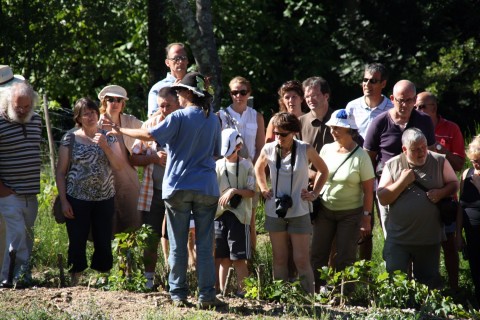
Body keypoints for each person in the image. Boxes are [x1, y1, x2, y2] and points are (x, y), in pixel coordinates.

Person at [105, 72, 223, 308]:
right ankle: (207, 294)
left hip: (178, 186)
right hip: (207, 187)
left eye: (179, 91)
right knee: (204, 242)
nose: (177, 95)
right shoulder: (213, 119)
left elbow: (149, 134)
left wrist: (120, 132)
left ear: (189, 94)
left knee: (178, 243)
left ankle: (178, 294)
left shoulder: (179, 117)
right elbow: (217, 153)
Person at [255, 112, 329, 294]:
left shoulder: (305, 149)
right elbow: (258, 168)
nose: (278, 138)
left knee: (302, 259)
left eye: (283, 134)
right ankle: (281, 297)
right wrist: (264, 189)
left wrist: (315, 193)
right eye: (276, 133)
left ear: (294, 132)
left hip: (300, 210)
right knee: (279, 258)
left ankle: (308, 300)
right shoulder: (269, 149)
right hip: (275, 211)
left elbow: (324, 171)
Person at [377, 128, 458, 289]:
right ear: (405, 149)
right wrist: (402, 182)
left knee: (429, 286)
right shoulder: (393, 165)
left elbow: (454, 184)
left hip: (429, 239)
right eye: (415, 150)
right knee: (396, 284)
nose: (421, 153)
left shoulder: (439, 160)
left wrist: (441, 192)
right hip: (399, 239)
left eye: (424, 147)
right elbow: (383, 197)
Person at [56, 98, 124, 285]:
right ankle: (75, 279)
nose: (91, 116)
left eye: (93, 112)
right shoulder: (69, 138)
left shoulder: (108, 136)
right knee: (77, 241)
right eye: (86, 113)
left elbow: (119, 165)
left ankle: (104, 279)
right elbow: (61, 172)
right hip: (77, 198)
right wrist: (64, 201)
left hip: (104, 197)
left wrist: (105, 147)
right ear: (78, 118)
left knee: (103, 240)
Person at [312, 109, 375, 293]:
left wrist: (366, 217)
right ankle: (316, 291)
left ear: (350, 131)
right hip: (324, 209)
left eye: (338, 128)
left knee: (345, 256)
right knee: (317, 253)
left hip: (350, 214)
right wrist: (315, 195)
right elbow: (319, 175)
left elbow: (368, 191)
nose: (333, 131)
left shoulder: (361, 156)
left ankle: (344, 295)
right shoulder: (326, 149)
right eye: (332, 127)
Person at [363, 80, 436, 237]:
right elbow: (367, 160)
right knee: (392, 238)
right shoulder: (379, 123)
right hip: (389, 187)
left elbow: (430, 154)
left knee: (419, 236)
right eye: (400, 100)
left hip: (420, 188)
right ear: (391, 99)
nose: (404, 104)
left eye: (409, 100)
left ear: (415, 100)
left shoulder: (424, 121)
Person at [130, 87, 181, 289]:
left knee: (178, 237)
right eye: (161, 106)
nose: (165, 109)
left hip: (179, 191)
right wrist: (152, 157)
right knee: (150, 235)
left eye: (168, 105)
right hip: (154, 192)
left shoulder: (183, 124)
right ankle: (148, 280)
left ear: (177, 104)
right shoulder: (150, 125)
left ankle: (177, 280)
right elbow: (133, 156)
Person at [416, 91, 465, 292]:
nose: (417, 110)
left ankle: (455, 289)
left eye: (421, 106)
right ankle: (422, 290)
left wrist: (438, 148)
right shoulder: (415, 128)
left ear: (433, 108)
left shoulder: (451, 129)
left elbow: (460, 164)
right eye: (416, 107)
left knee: (449, 246)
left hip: (447, 197)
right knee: (420, 246)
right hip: (421, 197)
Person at [345, 63, 393, 261]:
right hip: (358, 174)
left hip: (384, 173)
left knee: (389, 225)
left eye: (373, 81)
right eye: (365, 80)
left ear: (383, 83)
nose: (367, 84)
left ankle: (395, 272)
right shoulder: (352, 107)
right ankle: (363, 275)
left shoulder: (391, 108)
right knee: (362, 227)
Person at [0, 82, 41, 287]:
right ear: (9, 102)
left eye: (26, 106)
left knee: (27, 235)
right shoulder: (0, 122)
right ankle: (9, 279)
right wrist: (1, 188)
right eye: (18, 107)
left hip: (31, 193)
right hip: (9, 192)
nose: (23, 111)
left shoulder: (37, 120)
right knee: (16, 235)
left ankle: (22, 275)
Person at [218, 76, 265, 250]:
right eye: (235, 92)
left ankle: (252, 263)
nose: (239, 96)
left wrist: (254, 171)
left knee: (250, 220)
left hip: (249, 171)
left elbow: (261, 148)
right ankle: (227, 261)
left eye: (243, 92)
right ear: (230, 94)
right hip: (227, 171)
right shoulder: (221, 116)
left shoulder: (257, 116)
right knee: (225, 217)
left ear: (249, 93)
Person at [215, 128, 256, 297]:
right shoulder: (217, 165)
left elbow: (252, 191)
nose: (227, 155)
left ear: (239, 146)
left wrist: (234, 191)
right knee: (222, 257)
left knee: (239, 257)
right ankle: (222, 291)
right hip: (219, 216)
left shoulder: (247, 165)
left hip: (240, 217)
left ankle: (243, 291)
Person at [98, 85, 143, 235]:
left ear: (123, 103)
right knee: (108, 223)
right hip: (104, 179)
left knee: (131, 222)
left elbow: (148, 131)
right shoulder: (97, 124)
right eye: (111, 99)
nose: (115, 103)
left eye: (119, 100)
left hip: (128, 178)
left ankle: (128, 258)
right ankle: (110, 257)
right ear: (105, 102)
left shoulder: (130, 121)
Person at [0, 65, 26, 282]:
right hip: (5, 191)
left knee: (20, 235)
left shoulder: (26, 117)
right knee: (11, 235)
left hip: (24, 192)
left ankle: (18, 276)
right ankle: (8, 278)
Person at [458, 136, 480, 304]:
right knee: (476, 273)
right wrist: (459, 234)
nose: (475, 164)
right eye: (473, 160)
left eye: (479, 161)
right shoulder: (466, 174)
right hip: (472, 235)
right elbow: (461, 206)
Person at [148, 43, 188, 117]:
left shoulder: (196, 84)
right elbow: (151, 120)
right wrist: (173, 97)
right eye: (176, 58)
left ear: (187, 61)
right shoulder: (158, 88)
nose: (180, 62)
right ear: (167, 62)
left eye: (183, 58)